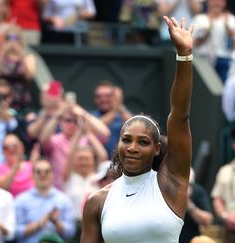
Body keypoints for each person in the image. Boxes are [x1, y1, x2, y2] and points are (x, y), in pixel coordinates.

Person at [81, 16, 193, 242]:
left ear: (156, 149)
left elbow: (180, 115)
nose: (132, 147)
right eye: (127, 140)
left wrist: (184, 56)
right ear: (118, 143)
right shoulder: (97, 202)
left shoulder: (170, 182)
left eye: (143, 142)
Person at [14, 159, 76, 243]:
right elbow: (14, 233)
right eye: (38, 172)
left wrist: (56, 222)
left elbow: (71, 232)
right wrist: (39, 224)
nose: (43, 175)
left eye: (47, 171)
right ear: (32, 175)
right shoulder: (21, 200)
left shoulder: (64, 200)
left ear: (52, 175)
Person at [90, 81, 132, 156]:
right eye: (99, 96)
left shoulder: (123, 114)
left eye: (107, 96)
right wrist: (115, 109)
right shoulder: (92, 115)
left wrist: (119, 106)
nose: (103, 99)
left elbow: (133, 126)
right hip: (99, 163)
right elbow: (93, 128)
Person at [179, 168, 213, 243]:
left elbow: (207, 221)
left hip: (192, 239)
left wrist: (188, 204)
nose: (185, 187)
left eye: (189, 184)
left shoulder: (197, 192)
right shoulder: (165, 190)